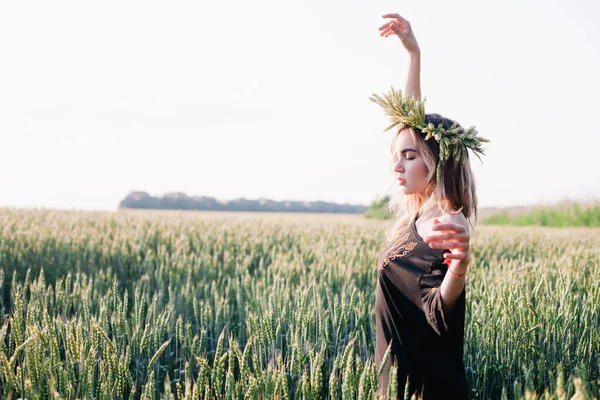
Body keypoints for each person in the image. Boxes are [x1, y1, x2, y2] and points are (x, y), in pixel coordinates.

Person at [371, 13, 489, 399]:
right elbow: (412, 124)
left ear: (435, 163)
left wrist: (461, 266)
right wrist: (413, 55)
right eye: (396, 155)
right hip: (400, 385)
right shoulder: (418, 212)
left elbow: (440, 312)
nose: (396, 165)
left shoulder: (446, 221)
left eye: (408, 157)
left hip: (428, 390)